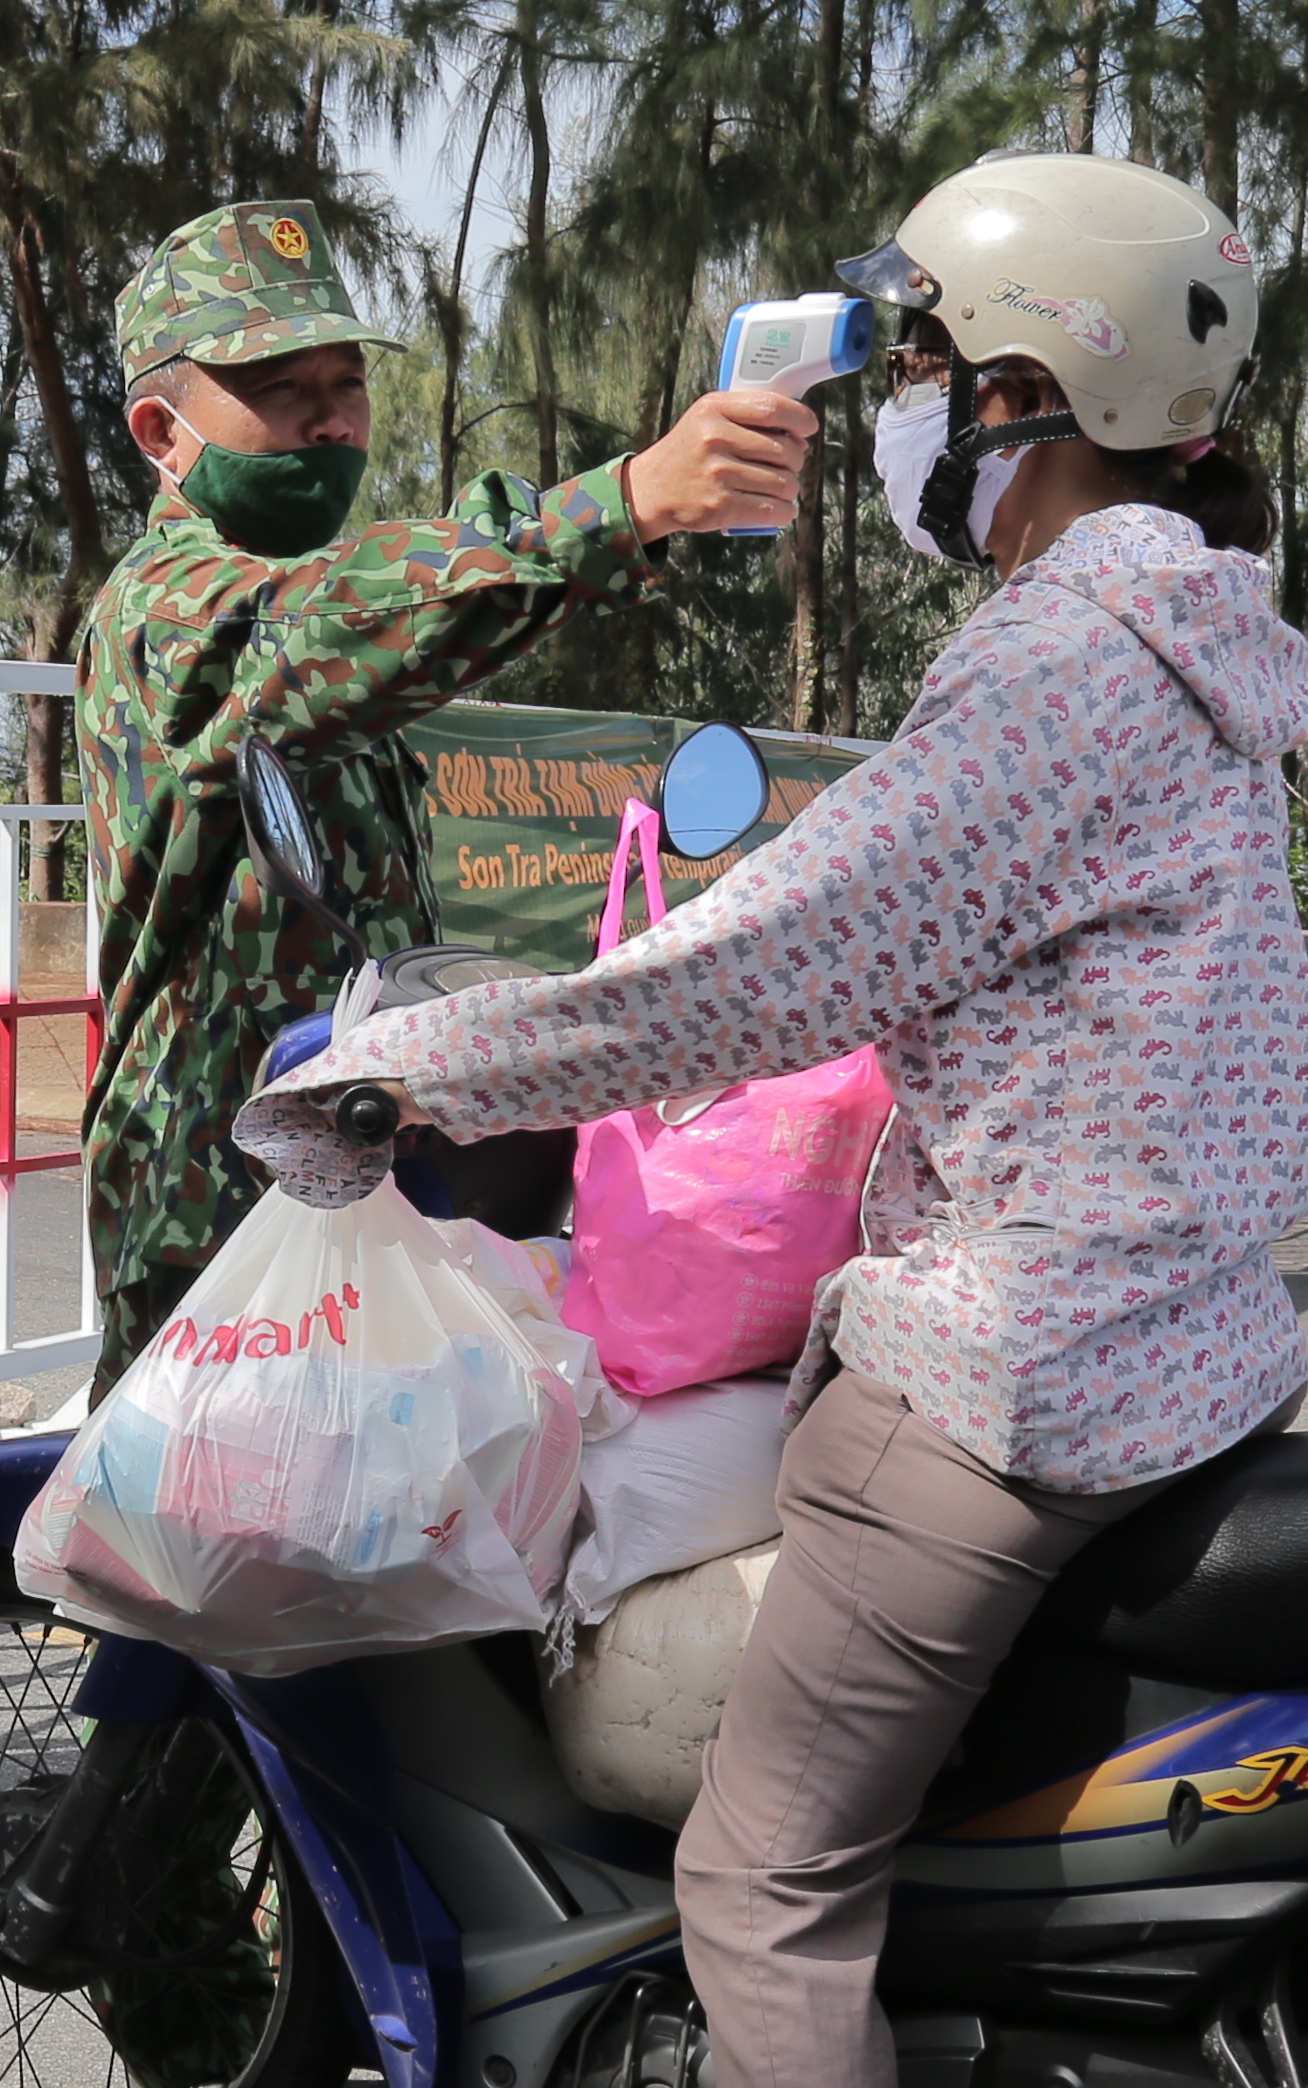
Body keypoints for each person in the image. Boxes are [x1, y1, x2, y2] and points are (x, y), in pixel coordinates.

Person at [247, 153, 1308, 2088]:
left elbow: (749, 971)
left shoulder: (1064, 658)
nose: (905, 428)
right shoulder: (1189, 634)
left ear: (1024, 403)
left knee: (760, 1881)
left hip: (1008, 1372)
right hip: (1181, 1340)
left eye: (927, 379)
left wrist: (400, 1067)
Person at [73, 200, 813, 1369]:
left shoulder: (336, 606)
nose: (328, 418)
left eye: (344, 381)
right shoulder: (171, 607)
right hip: (216, 1194)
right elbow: (331, 619)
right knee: (205, 1532)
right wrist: (618, 507)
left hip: (358, 1159)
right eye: (277, 387)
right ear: (163, 431)